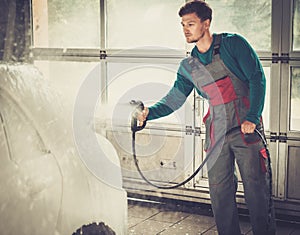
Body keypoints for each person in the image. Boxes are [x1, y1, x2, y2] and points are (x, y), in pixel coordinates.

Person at [137, 1, 276, 234]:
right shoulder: (189, 66)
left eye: (190, 24)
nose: (185, 29)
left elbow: (257, 78)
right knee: (220, 193)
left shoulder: (234, 45)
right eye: (183, 25)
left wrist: (252, 117)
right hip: (216, 133)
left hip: (246, 129)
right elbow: (174, 99)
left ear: (206, 23)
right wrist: (149, 113)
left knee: (256, 190)